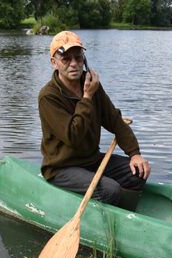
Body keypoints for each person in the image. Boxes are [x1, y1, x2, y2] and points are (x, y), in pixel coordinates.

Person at [38, 31, 151, 211]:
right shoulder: (48, 96)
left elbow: (114, 120)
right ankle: (108, 217)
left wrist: (134, 153)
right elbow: (73, 137)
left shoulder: (91, 85)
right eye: (66, 59)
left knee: (137, 172)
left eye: (78, 57)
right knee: (110, 190)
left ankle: (127, 217)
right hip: (62, 168)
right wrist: (87, 98)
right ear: (54, 63)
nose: (74, 63)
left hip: (91, 160)